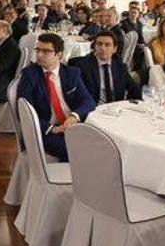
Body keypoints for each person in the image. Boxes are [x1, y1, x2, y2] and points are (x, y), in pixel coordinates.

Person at [17, 32, 95, 160]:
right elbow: (24, 112)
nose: (39, 55)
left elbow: (88, 101)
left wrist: (74, 116)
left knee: (98, 145)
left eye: (46, 51)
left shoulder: (71, 73)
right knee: (73, 151)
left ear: (59, 55)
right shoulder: (29, 75)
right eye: (38, 50)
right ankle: (70, 178)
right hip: (44, 130)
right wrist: (51, 129)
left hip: (72, 125)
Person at [69, 30, 137, 105]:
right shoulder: (83, 66)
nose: (103, 48)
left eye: (107, 45)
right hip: (93, 109)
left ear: (114, 49)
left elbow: (134, 89)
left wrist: (129, 105)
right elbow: (77, 95)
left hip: (116, 110)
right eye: (99, 44)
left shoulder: (120, 67)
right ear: (94, 47)